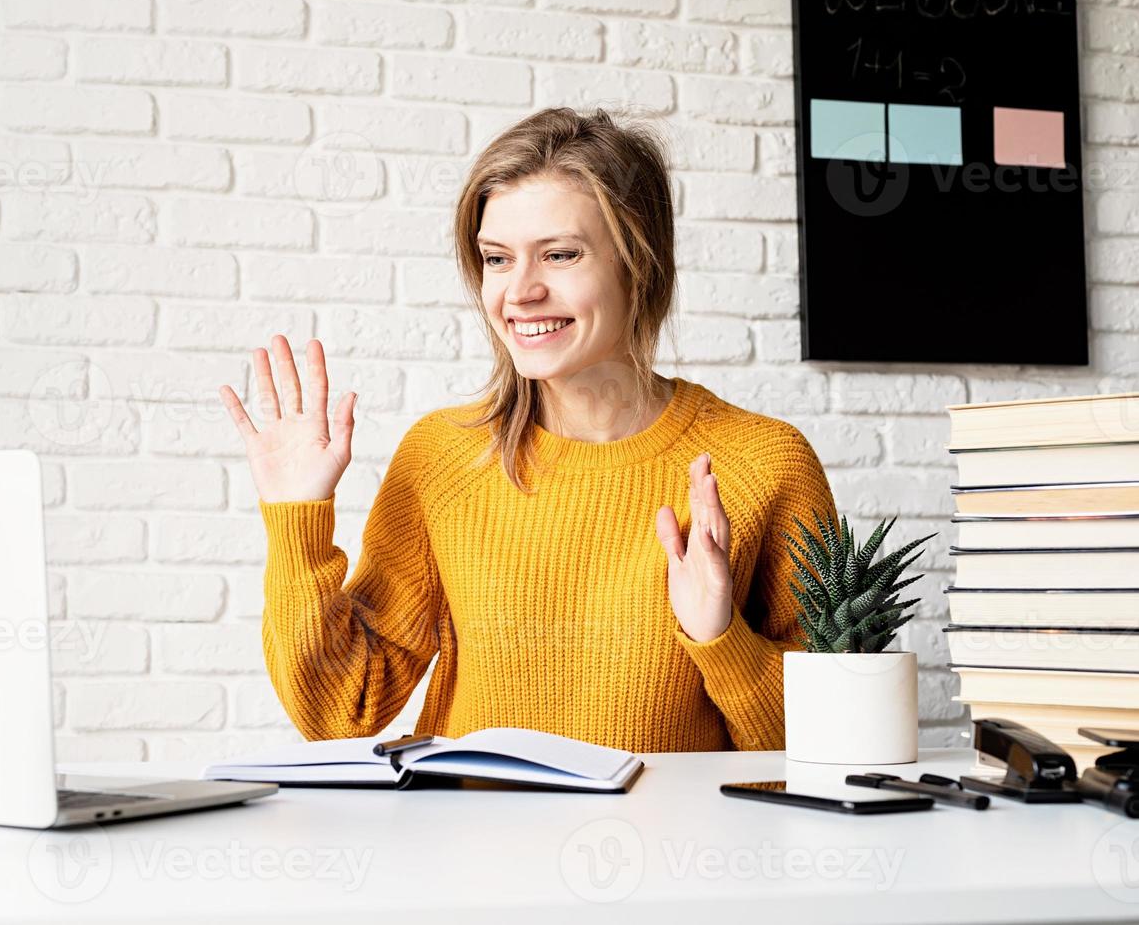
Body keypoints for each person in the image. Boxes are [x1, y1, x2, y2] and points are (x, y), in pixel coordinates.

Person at [218, 106, 837, 753]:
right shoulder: (443, 457)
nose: (518, 292)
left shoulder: (763, 463)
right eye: (496, 258)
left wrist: (720, 640)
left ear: (639, 262)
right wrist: (296, 519)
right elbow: (341, 710)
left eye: (560, 255)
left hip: (670, 850)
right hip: (470, 847)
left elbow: (829, 749)